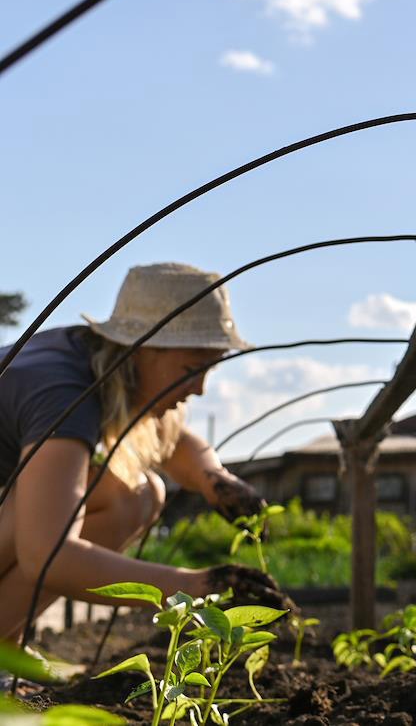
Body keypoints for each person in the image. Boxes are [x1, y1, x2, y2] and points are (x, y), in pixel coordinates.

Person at [0, 262, 279, 642]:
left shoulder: (90, 360)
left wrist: (215, 480)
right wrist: (192, 587)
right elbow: (46, 555)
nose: (199, 389)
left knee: (136, 493)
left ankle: (7, 644)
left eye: (209, 371)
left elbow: (173, 442)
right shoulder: (63, 394)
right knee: (112, 500)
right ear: (144, 350)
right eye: (192, 369)